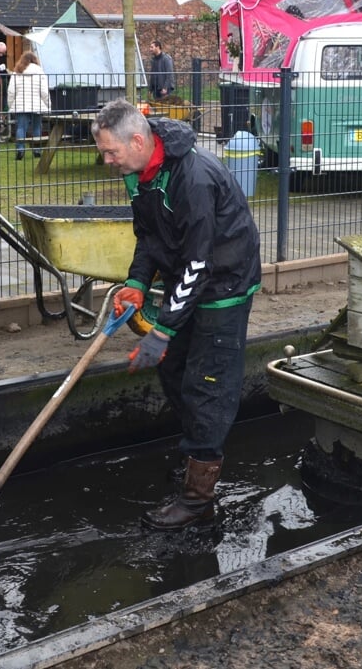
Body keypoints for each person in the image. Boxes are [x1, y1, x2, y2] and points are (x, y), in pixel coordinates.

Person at [92, 99, 261, 530]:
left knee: (207, 384)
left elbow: (198, 263)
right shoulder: (140, 175)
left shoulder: (194, 178)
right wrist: (136, 282)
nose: (106, 160)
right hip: (188, 282)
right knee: (174, 372)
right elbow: (148, 236)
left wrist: (163, 329)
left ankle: (197, 501)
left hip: (224, 285)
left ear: (137, 140)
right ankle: (197, 458)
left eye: (111, 151)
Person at [7, 50, 51, 160]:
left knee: (21, 127)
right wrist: (48, 105)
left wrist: (11, 104)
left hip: (21, 104)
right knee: (37, 127)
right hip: (37, 104)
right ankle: (37, 150)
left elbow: (11, 91)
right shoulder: (40, 72)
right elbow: (44, 91)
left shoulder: (17, 72)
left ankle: (20, 150)